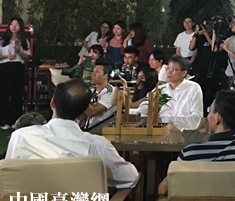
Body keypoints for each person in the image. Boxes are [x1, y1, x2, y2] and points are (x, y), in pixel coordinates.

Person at [6, 79, 139, 189]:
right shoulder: (97, 145)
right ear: (85, 109)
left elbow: (9, 176)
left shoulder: (20, 136)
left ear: (52, 103)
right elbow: (130, 178)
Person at [157, 90, 235, 198]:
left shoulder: (190, 153)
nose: (207, 115)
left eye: (209, 111)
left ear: (217, 118)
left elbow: (162, 190)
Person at [140, 55, 204, 124]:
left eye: (172, 69)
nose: (168, 72)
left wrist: (170, 121)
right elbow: (145, 106)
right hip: (160, 127)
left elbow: (197, 117)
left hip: (184, 129)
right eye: (167, 68)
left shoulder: (193, 88)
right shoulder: (161, 89)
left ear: (184, 73)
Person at [0, 17, 31, 129]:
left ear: (20, 27)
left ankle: (15, 119)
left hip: (17, 67)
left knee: (16, 93)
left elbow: (27, 57)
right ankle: (3, 120)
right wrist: (6, 56)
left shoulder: (23, 41)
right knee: (3, 93)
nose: (13, 27)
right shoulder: (2, 40)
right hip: (4, 67)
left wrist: (19, 52)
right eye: (12, 24)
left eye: (16, 25)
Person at [80, 60, 116, 130]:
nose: (93, 74)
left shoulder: (111, 93)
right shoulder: (92, 89)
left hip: (99, 130)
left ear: (106, 75)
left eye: (97, 72)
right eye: (93, 71)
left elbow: (91, 112)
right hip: (85, 128)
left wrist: (78, 98)